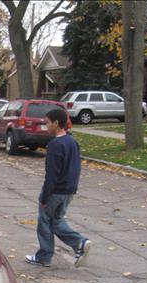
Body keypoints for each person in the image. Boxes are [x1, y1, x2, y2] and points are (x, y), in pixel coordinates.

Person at [25, 108, 91, 267]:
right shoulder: (73, 142)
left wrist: (45, 197)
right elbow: (76, 167)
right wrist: (73, 188)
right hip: (68, 191)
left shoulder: (55, 145)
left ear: (56, 123)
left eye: (47, 123)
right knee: (57, 221)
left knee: (45, 222)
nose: (46, 125)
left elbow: (52, 175)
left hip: (55, 191)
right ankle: (80, 244)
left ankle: (45, 256)